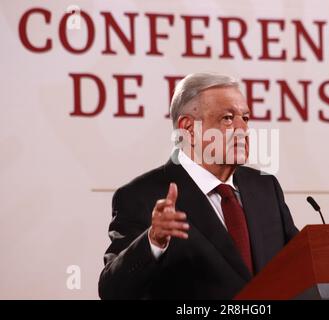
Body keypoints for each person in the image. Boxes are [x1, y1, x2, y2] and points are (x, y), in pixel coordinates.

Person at [98, 73, 299, 299]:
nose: (243, 129)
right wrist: (153, 241)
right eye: (228, 118)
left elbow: (301, 264)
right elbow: (112, 291)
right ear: (189, 128)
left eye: (245, 118)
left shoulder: (264, 187)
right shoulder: (141, 196)